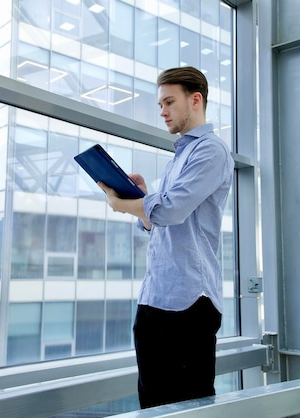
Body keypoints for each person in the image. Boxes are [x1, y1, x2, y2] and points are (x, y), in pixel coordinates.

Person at [98, 66, 234, 409]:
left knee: (188, 408)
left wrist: (123, 203)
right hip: (157, 297)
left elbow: (170, 210)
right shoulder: (180, 157)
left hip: (188, 303)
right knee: (154, 404)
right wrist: (142, 198)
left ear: (196, 99)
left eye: (169, 102)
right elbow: (160, 221)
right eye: (160, 104)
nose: (162, 111)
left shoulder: (211, 151)